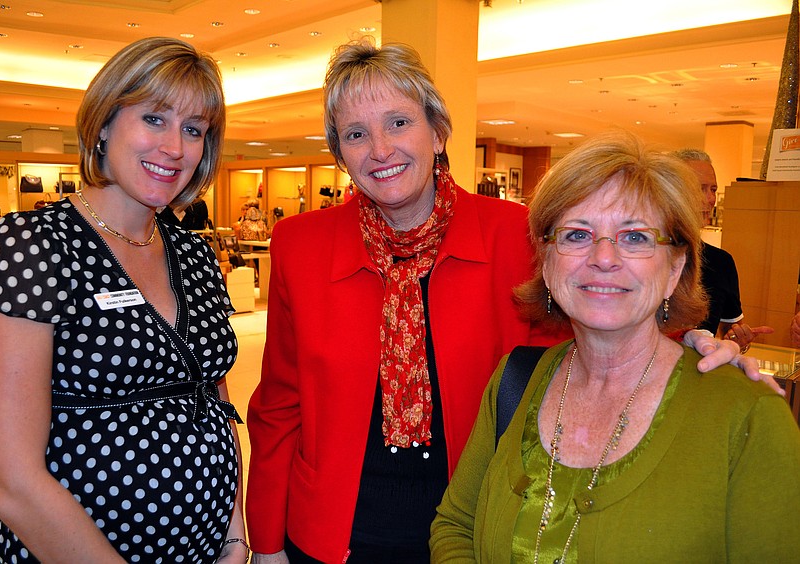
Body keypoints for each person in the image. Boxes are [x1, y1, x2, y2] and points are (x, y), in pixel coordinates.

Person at [245, 39, 758, 564]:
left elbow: (601, 330)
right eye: (356, 134)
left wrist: (690, 346)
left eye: (399, 123)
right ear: (340, 153)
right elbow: (279, 406)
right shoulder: (301, 246)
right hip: (329, 535)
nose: (380, 149)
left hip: (481, 526)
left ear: (438, 132)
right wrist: (266, 543)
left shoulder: (517, 236)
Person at [430, 131, 800, 562]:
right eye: (577, 235)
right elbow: (456, 525)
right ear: (546, 263)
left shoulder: (749, 417)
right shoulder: (516, 381)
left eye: (635, 237)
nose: (604, 258)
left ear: (675, 269)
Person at [0, 37, 248, 563]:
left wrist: (233, 536)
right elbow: (6, 479)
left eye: (193, 129)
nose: (175, 147)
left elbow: (213, 399)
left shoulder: (192, 254)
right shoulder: (34, 247)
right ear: (105, 124)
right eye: (154, 119)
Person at [673, 149, 773, 352]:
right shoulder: (643, 256)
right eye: (699, 188)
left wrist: (737, 342)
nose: (710, 199)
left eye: (713, 189)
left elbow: (731, 331)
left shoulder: (721, 262)